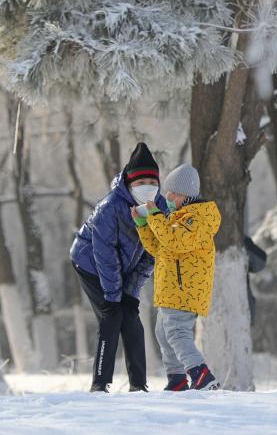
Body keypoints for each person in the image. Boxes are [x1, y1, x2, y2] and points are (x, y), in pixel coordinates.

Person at [70, 142, 167, 393]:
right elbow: (105, 254)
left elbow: (154, 252)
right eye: (140, 183)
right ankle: (99, 385)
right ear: (129, 184)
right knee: (111, 317)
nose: (147, 188)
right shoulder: (110, 207)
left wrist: (131, 292)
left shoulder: (161, 208)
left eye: (153, 182)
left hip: (124, 268)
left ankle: (138, 385)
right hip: (90, 263)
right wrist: (114, 297)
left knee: (132, 318)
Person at [132, 163, 222, 392]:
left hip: (185, 289)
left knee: (176, 332)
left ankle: (201, 374)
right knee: (163, 333)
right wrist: (144, 224)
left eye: (171, 193)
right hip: (171, 290)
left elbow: (174, 241)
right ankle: (177, 379)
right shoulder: (177, 218)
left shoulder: (196, 219)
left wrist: (155, 215)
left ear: (185, 195)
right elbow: (160, 247)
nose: (167, 198)